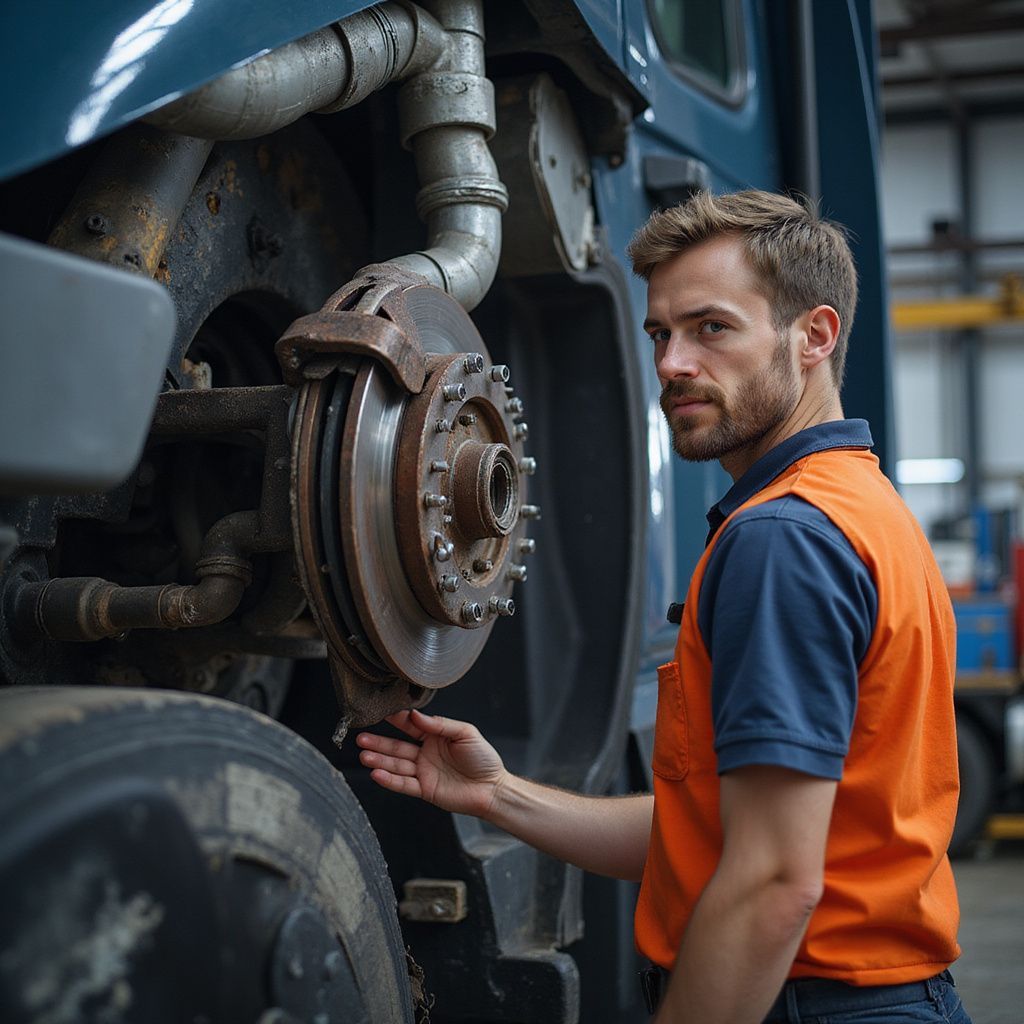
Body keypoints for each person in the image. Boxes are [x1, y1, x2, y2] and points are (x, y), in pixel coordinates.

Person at [356, 190, 971, 1024]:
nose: (674, 363)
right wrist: (499, 796)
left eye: (711, 328)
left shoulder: (784, 539)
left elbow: (769, 884)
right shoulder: (859, 505)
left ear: (815, 336)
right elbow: (717, 834)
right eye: (660, 334)